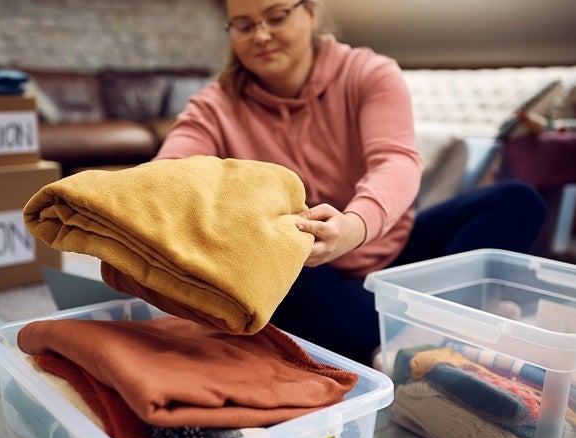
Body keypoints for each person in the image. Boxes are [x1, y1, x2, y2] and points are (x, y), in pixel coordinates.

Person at [153, 0, 546, 365]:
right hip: (308, 270)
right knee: (262, 279)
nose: (260, 35)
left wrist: (354, 226)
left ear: (311, 11)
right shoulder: (213, 106)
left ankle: (414, 333)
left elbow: (396, 161)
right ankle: (446, 324)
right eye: (242, 25)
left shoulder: (368, 73)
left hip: (393, 253)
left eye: (276, 17)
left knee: (517, 200)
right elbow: (168, 175)